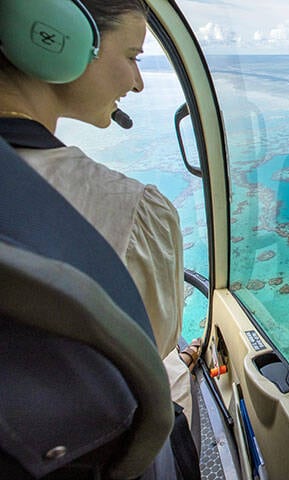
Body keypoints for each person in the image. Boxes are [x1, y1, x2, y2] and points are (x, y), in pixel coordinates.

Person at [0, 0, 199, 429]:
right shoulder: (134, 212)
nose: (139, 83)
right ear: (57, 34)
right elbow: (153, 347)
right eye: (132, 56)